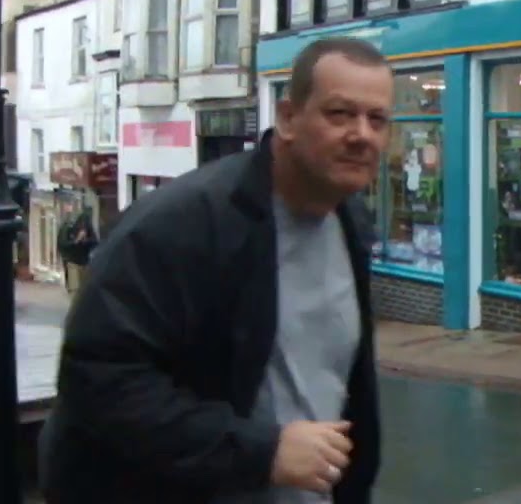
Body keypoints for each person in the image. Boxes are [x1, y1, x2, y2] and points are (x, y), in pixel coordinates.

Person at [39, 37, 391, 504]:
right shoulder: (181, 224)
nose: (361, 134)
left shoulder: (349, 221)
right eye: (340, 114)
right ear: (287, 118)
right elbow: (99, 380)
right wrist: (262, 453)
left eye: (377, 119)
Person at [55, 203, 97, 297]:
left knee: (84, 290)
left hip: (84, 261)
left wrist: (85, 241)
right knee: (75, 289)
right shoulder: (68, 228)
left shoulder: (88, 228)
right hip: (72, 261)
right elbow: (63, 243)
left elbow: (95, 242)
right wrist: (76, 241)